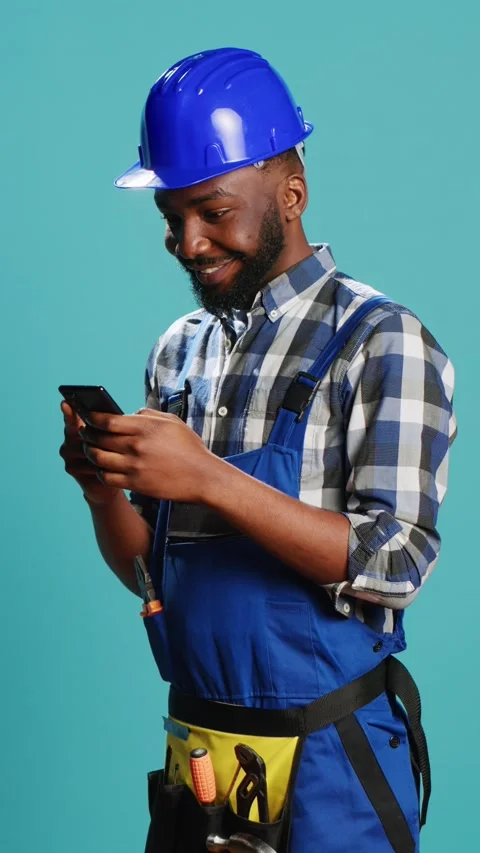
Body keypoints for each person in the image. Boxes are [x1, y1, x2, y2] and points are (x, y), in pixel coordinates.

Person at [59, 48, 457, 853]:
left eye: (213, 211)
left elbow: (396, 561)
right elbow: (152, 573)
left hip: (329, 764)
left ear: (292, 193)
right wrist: (104, 491)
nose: (188, 242)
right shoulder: (179, 352)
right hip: (201, 759)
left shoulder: (382, 342)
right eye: (172, 218)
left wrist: (205, 477)